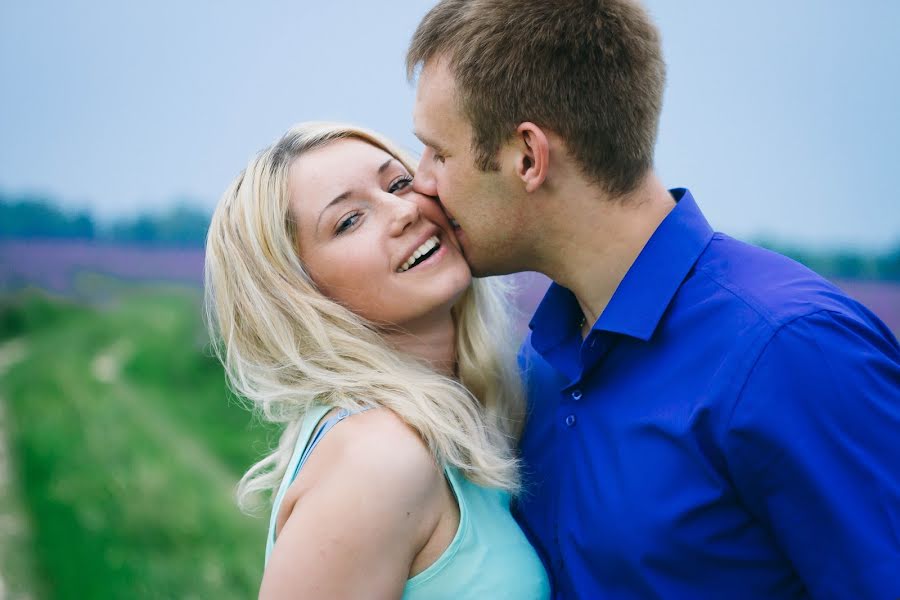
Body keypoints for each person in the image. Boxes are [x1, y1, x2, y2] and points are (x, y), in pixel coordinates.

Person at [406, 1, 900, 598]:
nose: (420, 183)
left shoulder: (792, 350)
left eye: (438, 152)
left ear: (528, 158)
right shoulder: (538, 364)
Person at [204, 122, 550, 599]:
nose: (404, 211)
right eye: (349, 220)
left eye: (398, 183)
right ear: (301, 294)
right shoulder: (379, 461)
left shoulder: (454, 423)